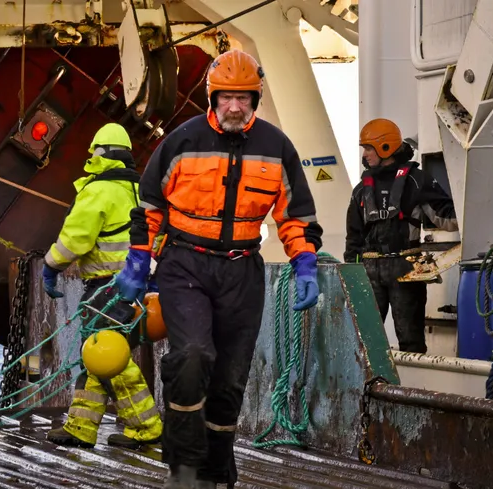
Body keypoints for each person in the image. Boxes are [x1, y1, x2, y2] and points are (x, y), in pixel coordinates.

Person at [117, 49, 322, 489]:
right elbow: (149, 208)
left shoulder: (276, 147)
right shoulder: (181, 142)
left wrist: (305, 263)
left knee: (230, 380)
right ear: (213, 98)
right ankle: (185, 470)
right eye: (226, 97)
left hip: (241, 272)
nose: (234, 106)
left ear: (255, 99)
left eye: (243, 98)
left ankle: (215, 474)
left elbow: (295, 217)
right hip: (184, 265)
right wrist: (138, 262)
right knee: (192, 357)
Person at [41, 122, 163, 449]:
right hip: (143, 291)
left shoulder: (99, 190)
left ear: (100, 154)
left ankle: (147, 427)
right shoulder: (141, 191)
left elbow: (75, 240)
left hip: (107, 289)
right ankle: (80, 427)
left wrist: (51, 266)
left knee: (110, 358)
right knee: (97, 358)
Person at [345, 118, 459, 353]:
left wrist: (476, 209)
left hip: (406, 268)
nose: (364, 154)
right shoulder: (361, 189)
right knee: (364, 342)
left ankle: (412, 384)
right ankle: (370, 387)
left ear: (385, 147)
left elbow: (448, 218)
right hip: (368, 269)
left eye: (368, 148)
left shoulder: (417, 180)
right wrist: (352, 272)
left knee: (411, 340)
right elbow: (353, 237)